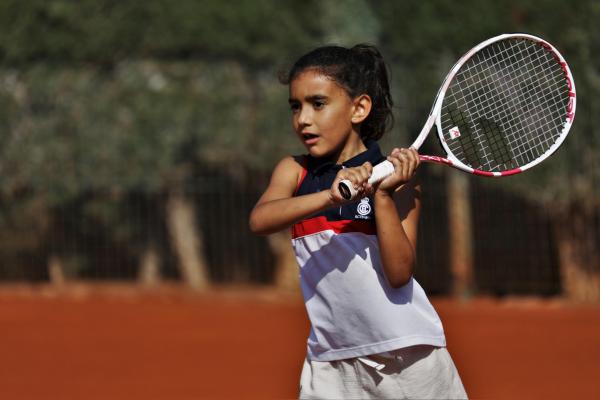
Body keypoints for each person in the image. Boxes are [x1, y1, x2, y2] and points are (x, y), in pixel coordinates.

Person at [249, 44, 467, 399]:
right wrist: (330, 197)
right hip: (330, 362)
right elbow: (260, 220)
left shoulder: (397, 179)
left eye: (318, 104)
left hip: (407, 356)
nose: (303, 118)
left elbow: (399, 274)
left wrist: (381, 196)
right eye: (296, 106)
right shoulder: (295, 172)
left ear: (360, 108)